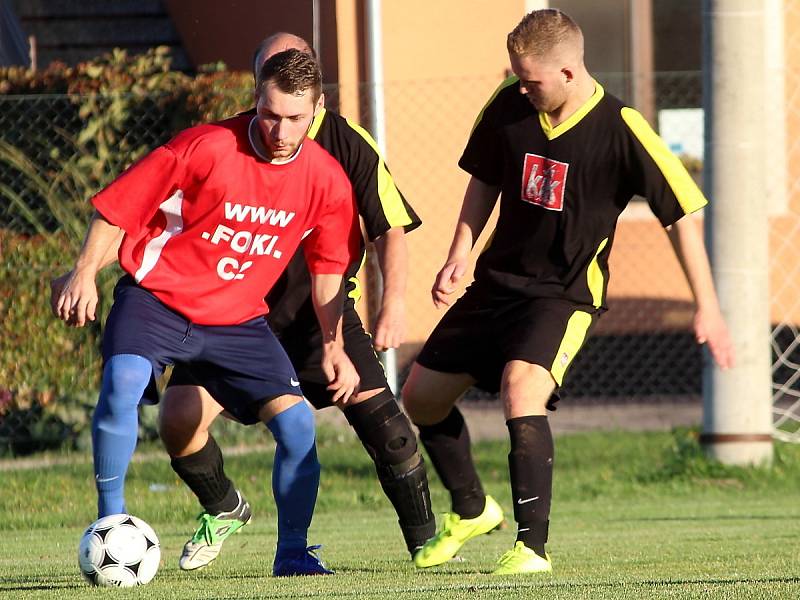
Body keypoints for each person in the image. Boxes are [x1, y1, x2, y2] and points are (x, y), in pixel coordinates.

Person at [402, 8, 735, 576]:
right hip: (496, 284)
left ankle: (531, 548)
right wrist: (459, 253)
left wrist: (708, 305)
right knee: (420, 399)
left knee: (521, 388)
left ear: (571, 72)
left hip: (565, 293)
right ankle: (473, 508)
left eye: (532, 79)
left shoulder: (621, 127)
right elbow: (484, 179)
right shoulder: (510, 105)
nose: (521, 86)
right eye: (518, 75)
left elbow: (681, 215)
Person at [54, 49, 360, 577]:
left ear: (319, 108)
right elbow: (119, 207)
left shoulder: (327, 180)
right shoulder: (205, 146)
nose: (281, 130)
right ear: (255, 100)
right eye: (269, 114)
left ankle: (292, 554)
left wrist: (335, 345)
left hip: (238, 320)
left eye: (295, 117)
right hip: (157, 300)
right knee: (123, 381)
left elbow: (329, 268)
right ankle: (111, 528)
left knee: (297, 428)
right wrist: (84, 272)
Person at [161, 32, 434, 572]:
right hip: (235, 316)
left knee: (393, 435)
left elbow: (390, 228)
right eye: (272, 84)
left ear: (318, 98)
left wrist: (394, 302)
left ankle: (429, 549)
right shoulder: (228, 141)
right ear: (259, 87)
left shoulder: (347, 143)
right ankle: (224, 506)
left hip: (321, 317)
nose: (283, 122)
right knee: (177, 420)